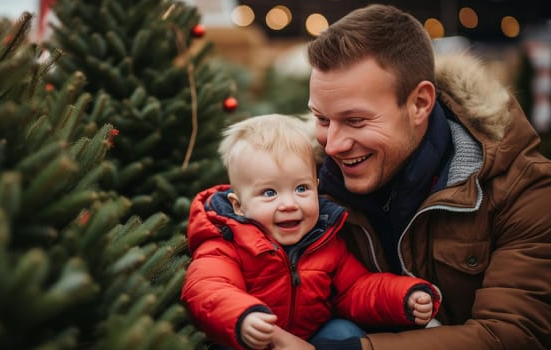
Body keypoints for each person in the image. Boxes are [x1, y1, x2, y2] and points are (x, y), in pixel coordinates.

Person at [272, 4, 551, 350]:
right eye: (323, 119)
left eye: (356, 121)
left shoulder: (520, 189)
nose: (333, 145)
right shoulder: (305, 183)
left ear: (420, 103)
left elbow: (512, 334)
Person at [180, 114, 441, 350]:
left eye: (301, 188)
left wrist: (403, 297)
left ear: (316, 187)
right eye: (269, 193)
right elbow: (207, 287)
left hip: (310, 339)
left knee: (344, 332)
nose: (290, 204)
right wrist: (243, 316)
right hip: (256, 339)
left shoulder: (324, 240)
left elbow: (356, 288)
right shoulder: (226, 243)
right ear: (239, 205)